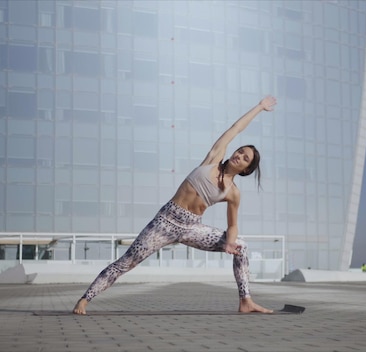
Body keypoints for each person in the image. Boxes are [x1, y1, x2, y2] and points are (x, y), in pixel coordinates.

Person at [73, 96, 277, 315]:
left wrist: (229, 243)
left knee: (241, 246)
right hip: (165, 222)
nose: (238, 155)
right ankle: (84, 300)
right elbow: (235, 128)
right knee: (127, 262)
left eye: (245, 158)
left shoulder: (233, 193)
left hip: (192, 228)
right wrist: (259, 107)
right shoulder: (213, 158)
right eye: (240, 151)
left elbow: (233, 225)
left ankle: (246, 301)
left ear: (246, 169)